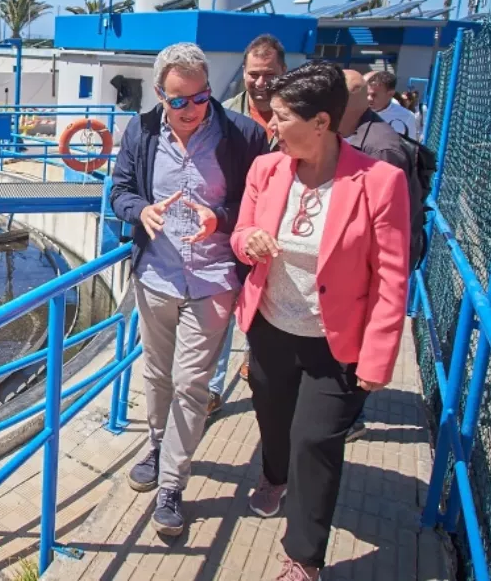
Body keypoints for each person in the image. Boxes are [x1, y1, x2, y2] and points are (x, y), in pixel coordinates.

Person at [232, 62, 410, 581]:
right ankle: (273, 474)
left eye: (283, 116)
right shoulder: (266, 169)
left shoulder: (380, 182)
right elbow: (242, 231)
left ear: (321, 122)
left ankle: (303, 557)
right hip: (270, 329)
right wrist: (249, 242)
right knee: (272, 417)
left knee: (316, 440)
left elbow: (391, 278)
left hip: (336, 343)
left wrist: (378, 358)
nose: (271, 124)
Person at [110, 42, 267, 536]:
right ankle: (157, 445)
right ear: (160, 95)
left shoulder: (243, 135)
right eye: (178, 101)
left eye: (199, 98)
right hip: (156, 275)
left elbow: (257, 206)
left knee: (190, 383)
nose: (190, 110)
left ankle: (172, 485)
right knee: (156, 376)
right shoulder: (140, 130)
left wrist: (217, 217)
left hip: (214, 279)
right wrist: (143, 211)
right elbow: (119, 192)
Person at [337, 69, 426, 441]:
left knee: (354, 347)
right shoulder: (350, 135)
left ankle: (349, 418)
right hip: (350, 265)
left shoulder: (380, 149)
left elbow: (388, 231)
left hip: (369, 269)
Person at [209, 34, 287, 406]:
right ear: (244, 73)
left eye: (269, 73)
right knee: (221, 307)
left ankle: (255, 364)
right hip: (231, 229)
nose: (261, 82)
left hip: (282, 236)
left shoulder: (297, 115)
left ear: (283, 71)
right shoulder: (224, 116)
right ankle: (212, 389)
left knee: (268, 312)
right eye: (254, 74)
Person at [365, 70, 419, 140]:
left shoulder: (407, 117)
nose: (369, 98)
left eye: (374, 95)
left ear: (390, 94)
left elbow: (409, 146)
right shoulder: (357, 110)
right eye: (367, 94)